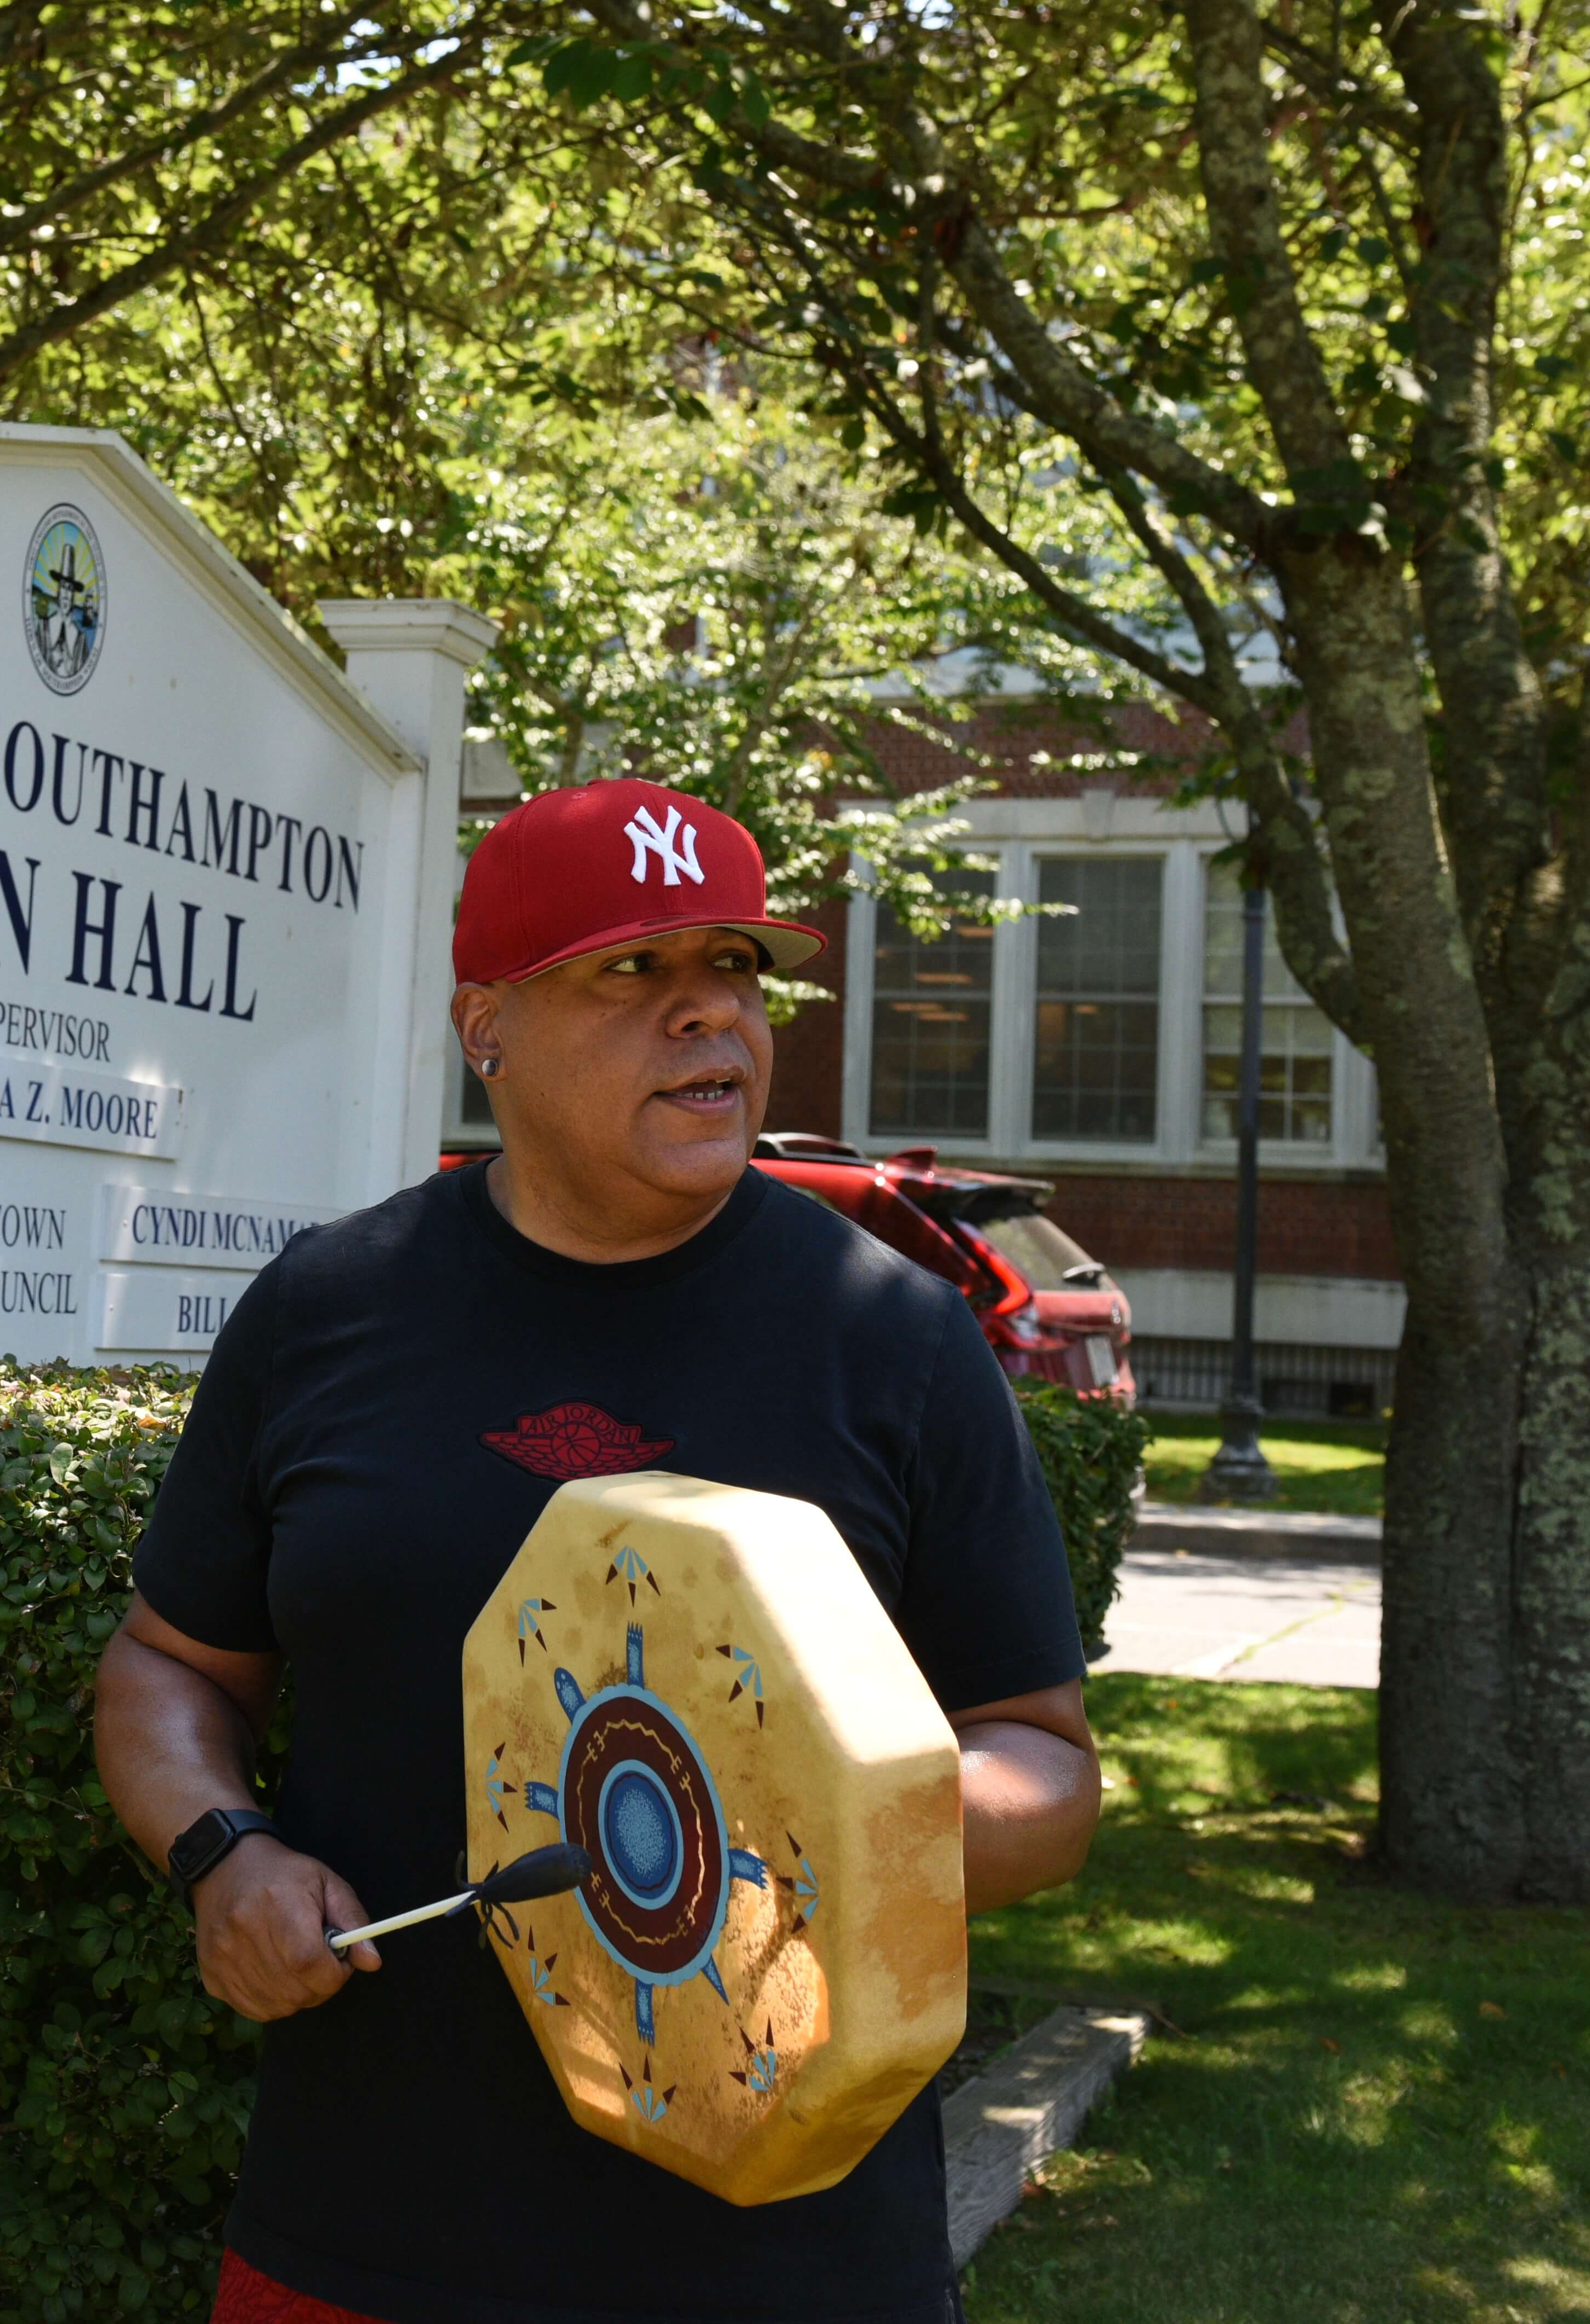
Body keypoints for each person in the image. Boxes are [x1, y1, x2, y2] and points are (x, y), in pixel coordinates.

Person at [96, 779, 1101, 2324]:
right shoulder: (324, 1311)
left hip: (785, 2256)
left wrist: (840, 1814)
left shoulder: (889, 1340)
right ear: (483, 1026)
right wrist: (220, 1853)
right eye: (632, 970)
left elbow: (1040, 1767)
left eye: (733, 968)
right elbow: (170, 1665)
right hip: (367, 2228)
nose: (708, 1016)